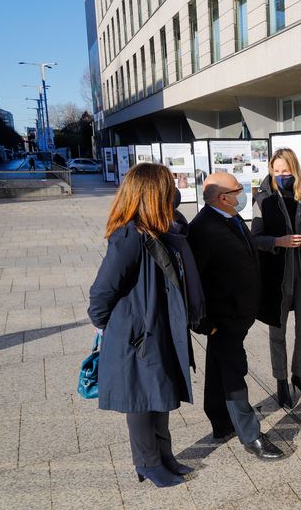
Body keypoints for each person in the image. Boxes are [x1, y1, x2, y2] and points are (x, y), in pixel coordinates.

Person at [88, 163, 206, 487]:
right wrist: (110, 327)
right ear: (152, 194)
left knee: (161, 395)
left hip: (158, 327)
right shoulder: (130, 235)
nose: (173, 193)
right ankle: (147, 463)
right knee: (142, 402)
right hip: (137, 335)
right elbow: (101, 292)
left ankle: (165, 456)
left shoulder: (160, 230)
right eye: (167, 187)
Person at [187, 173, 284, 460]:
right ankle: (251, 436)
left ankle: (221, 421)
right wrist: (205, 324)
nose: (243, 193)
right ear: (223, 197)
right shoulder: (202, 228)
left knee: (219, 366)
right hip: (222, 318)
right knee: (234, 373)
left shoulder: (231, 216)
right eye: (238, 190)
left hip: (240, 313)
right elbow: (194, 282)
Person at [251, 148, 301, 408]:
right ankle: (281, 381)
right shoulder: (262, 198)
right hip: (277, 275)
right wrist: (278, 241)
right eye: (276, 171)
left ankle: (300, 376)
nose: (281, 175)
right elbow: (255, 238)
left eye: (286, 170)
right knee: (277, 330)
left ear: (295, 170)